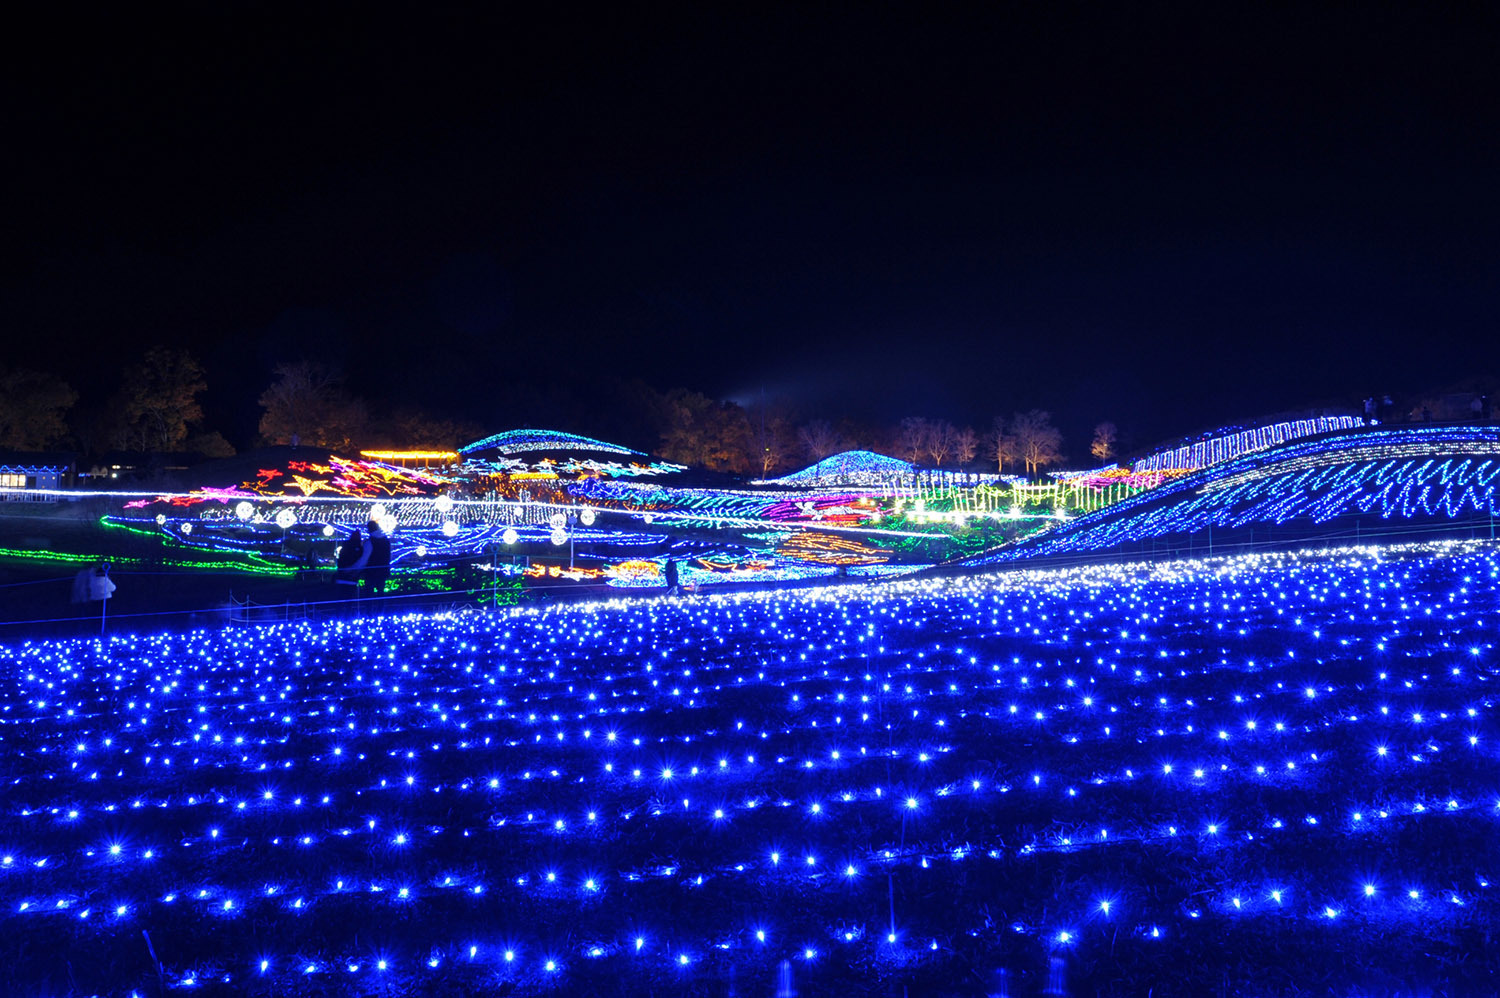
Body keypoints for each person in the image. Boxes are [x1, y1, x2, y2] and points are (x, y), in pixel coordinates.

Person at [335, 528, 367, 598]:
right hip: (352, 574)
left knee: (342, 595)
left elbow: (341, 559)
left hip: (343, 573)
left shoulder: (346, 545)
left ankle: (343, 607)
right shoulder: (359, 547)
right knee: (350, 595)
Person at [363, 519, 391, 595]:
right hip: (383, 570)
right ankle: (381, 607)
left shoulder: (369, 541)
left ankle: (369, 606)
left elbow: (364, 558)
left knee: (368, 592)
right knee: (381, 592)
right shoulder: (386, 541)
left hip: (371, 571)